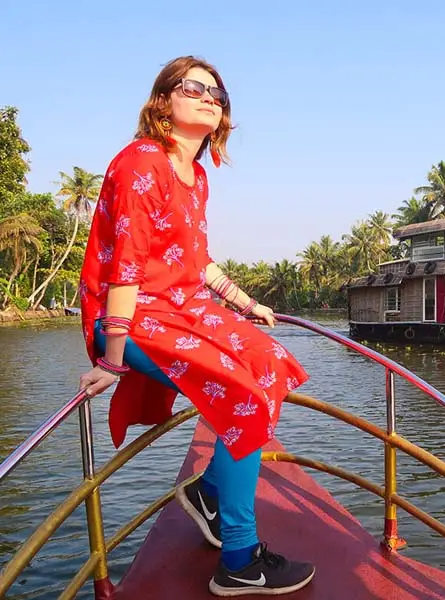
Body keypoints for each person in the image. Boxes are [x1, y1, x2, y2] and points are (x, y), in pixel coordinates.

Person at [76, 56, 315, 596]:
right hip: (135, 316)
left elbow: (198, 260)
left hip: (184, 309)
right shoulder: (142, 163)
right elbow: (127, 267)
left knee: (272, 366)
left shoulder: (197, 176)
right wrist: (111, 360)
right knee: (241, 399)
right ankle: (239, 559)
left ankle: (209, 492)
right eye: (195, 88)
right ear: (163, 101)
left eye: (218, 94)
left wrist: (245, 302)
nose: (211, 98)